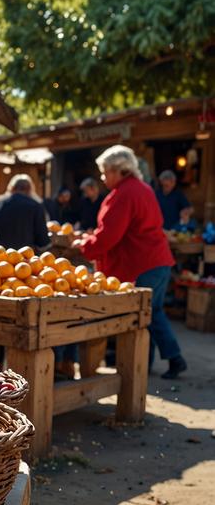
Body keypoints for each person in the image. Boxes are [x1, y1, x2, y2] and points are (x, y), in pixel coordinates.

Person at [79, 145, 186, 379]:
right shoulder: (143, 189)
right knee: (151, 312)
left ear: (119, 170)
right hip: (157, 260)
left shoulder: (124, 194)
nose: (103, 177)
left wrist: (85, 246)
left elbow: (109, 235)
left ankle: (159, 362)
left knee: (143, 315)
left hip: (144, 262)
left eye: (106, 172)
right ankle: (157, 362)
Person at [0, 174, 49, 251]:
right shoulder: (35, 205)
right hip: (25, 256)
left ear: (12, 188)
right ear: (29, 189)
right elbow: (42, 238)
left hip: (2, 254)